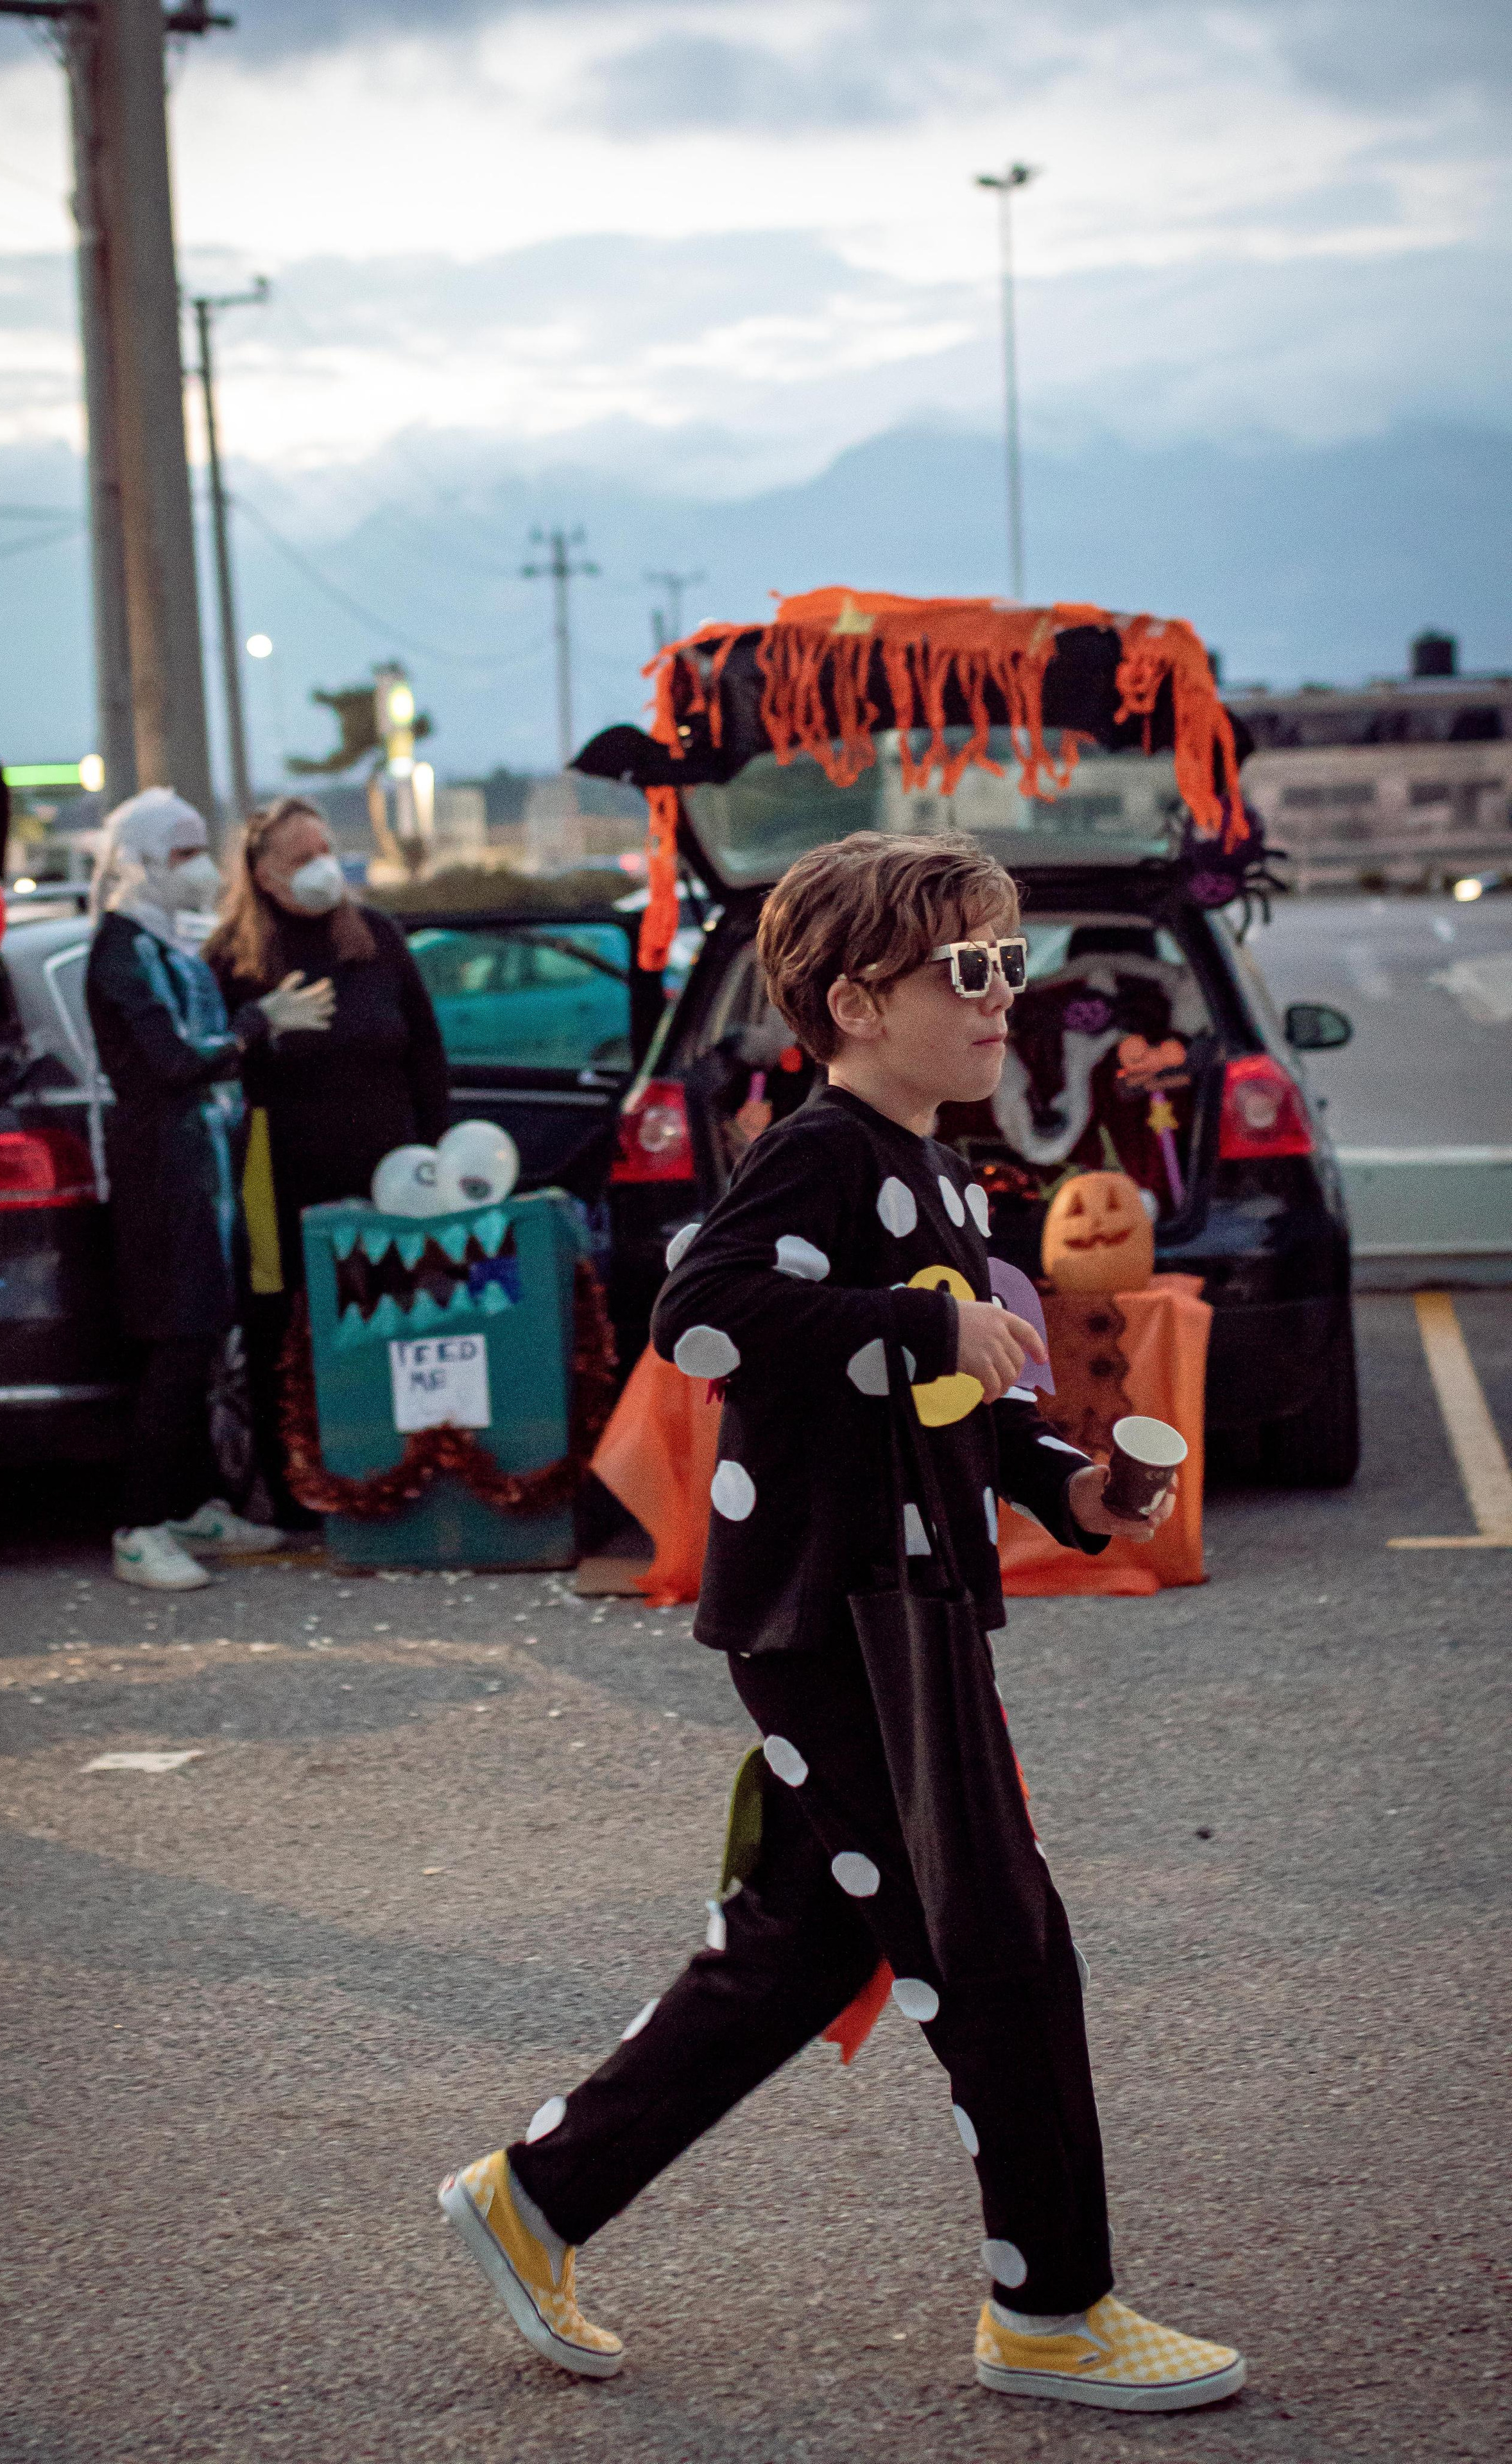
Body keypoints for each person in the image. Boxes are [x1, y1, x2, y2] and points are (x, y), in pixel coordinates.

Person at [437, 832, 1246, 2415]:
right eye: (972, 968)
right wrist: (919, 1315)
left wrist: (1061, 1482)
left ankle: (533, 2197)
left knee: (804, 1941)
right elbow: (701, 1308)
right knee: (994, 1944)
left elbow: (946, 1396)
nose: (1004, 995)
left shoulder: (933, 1161)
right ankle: (1049, 2307)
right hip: (835, 1609)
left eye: (1011, 962)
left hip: (895, 1595)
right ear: (857, 999)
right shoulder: (824, 1153)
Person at [85, 788, 334, 1589]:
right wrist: (261, 1022)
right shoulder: (122, 948)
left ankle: (190, 1502)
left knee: (203, 1338)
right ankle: (139, 1523)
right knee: (178, 1341)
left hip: (207, 1169)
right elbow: (172, 1061)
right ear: (144, 861)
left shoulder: (168, 942)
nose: (198, 869)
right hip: (164, 1174)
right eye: (182, 854)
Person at [202, 796, 449, 1527]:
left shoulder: (374, 936)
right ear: (263, 875)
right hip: (270, 1171)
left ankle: (398, 1469)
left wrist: (436, 1150)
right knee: (276, 1319)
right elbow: (210, 1066)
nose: (320, 867)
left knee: (390, 1310)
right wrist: (260, 1033)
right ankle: (290, 1491)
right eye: (299, 857)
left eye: (324, 849)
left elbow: (426, 1054)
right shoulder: (233, 958)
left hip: (386, 1163)